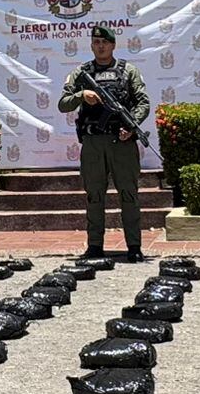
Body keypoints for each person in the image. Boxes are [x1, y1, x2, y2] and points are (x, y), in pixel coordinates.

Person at [59, 24, 151, 262]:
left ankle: (134, 246)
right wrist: (81, 95)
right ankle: (95, 246)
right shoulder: (81, 73)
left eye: (105, 43)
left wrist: (131, 126)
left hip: (122, 142)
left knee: (129, 194)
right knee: (94, 195)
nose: (100, 46)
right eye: (96, 42)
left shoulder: (128, 71)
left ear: (113, 45)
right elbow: (63, 103)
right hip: (93, 143)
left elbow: (143, 102)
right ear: (91, 46)